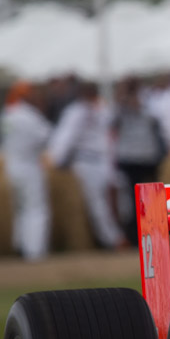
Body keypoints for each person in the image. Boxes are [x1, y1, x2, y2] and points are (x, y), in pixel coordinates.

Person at [48, 81, 126, 250]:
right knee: (99, 204)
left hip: (101, 161)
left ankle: (116, 239)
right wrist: (58, 160)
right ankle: (115, 240)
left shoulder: (98, 109)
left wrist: (57, 160)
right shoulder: (81, 111)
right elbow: (67, 138)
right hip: (88, 161)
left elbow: (66, 139)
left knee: (106, 202)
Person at [0, 81, 52, 261]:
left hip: (11, 166)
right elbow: (46, 135)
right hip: (29, 166)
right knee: (36, 209)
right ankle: (35, 252)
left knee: (20, 209)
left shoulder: (6, 113)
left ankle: (21, 246)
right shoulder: (28, 115)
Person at [113, 77, 168, 244]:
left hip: (148, 157)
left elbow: (157, 118)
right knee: (132, 200)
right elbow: (110, 122)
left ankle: (157, 233)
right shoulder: (119, 105)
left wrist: (140, 106)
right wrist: (122, 101)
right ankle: (135, 238)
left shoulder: (148, 100)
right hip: (129, 159)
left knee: (153, 197)